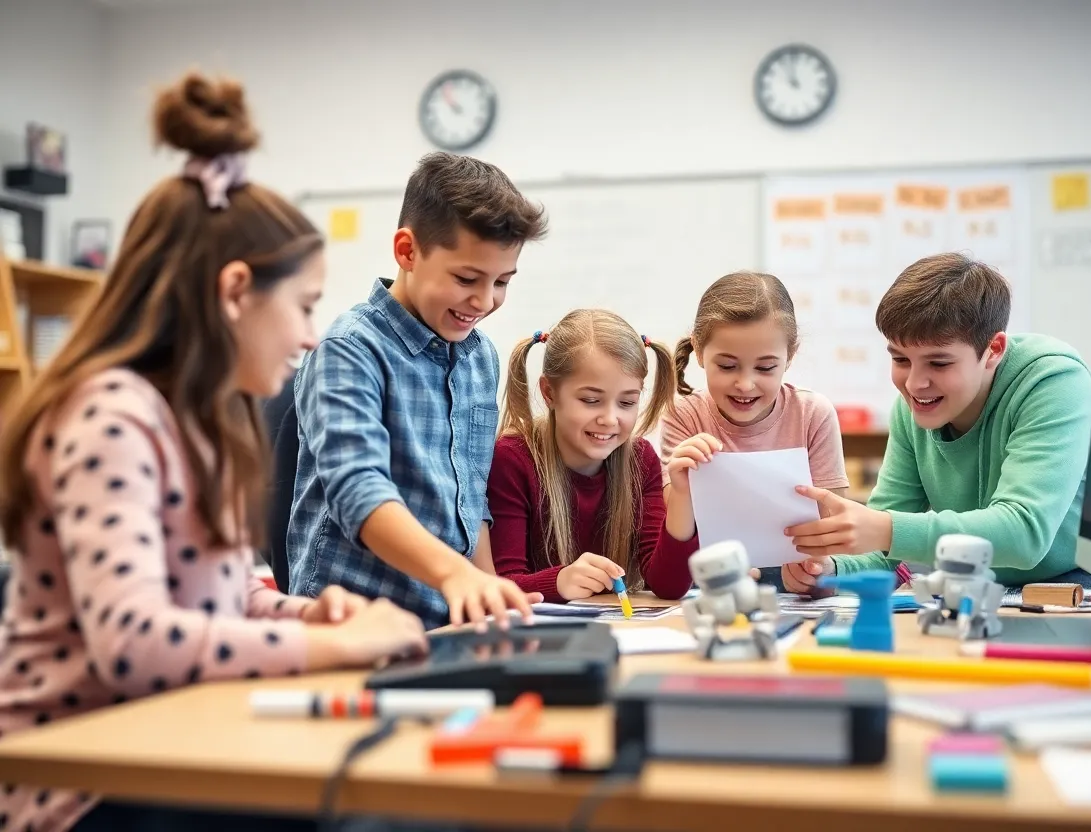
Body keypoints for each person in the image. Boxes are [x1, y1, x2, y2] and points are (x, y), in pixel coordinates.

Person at [0, 73, 426, 832]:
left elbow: (231, 596)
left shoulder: (202, 422)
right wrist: (332, 651)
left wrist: (311, 619)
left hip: (174, 740)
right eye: (300, 306)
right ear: (235, 292)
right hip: (80, 785)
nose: (309, 335)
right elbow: (134, 643)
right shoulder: (111, 416)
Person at [287, 152, 547, 630]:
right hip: (352, 622)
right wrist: (454, 575)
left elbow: (471, 498)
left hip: (446, 621)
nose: (485, 301)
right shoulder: (350, 349)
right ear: (407, 252)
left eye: (502, 282)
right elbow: (359, 492)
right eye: (466, 279)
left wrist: (489, 593)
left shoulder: (478, 356)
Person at [783, 252, 1091, 589]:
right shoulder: (910, 409)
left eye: (938, 363)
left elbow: (1024, 533)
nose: (914, 384)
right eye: (901, 359)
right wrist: (828, 569)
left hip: (1071, 586)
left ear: (993, 349)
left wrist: (884, 528)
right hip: (973, 584)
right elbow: (883, 553)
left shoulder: (1054, 381)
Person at [659, 270, 909, 592]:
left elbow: (832, 527)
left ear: (790, 355)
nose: (745, 384)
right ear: (698, 348)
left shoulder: (812, 413)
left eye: (765, 368)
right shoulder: (685, 415)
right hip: (709, 575)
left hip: (797, 573)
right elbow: (676, 533)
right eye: (727, 365)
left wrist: (815, 572)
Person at [488, 310, 695, 601]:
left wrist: (683, 495)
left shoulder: (641, 460)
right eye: (591, 401)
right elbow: (499, 584)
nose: (610, 419)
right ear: (549, 393)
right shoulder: (512, 460)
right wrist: (559, 581)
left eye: (627, 402)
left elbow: (668, 585)